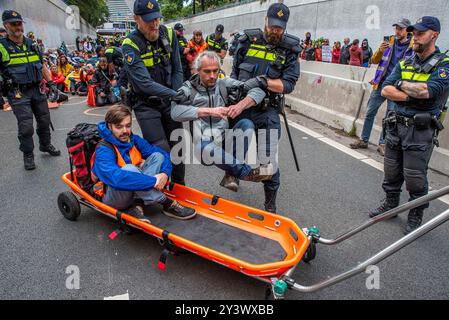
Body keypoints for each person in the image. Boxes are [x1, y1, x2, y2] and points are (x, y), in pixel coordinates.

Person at [370, 16, 449, 235]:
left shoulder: (444, 64)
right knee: (391, 171)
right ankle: (391, 204)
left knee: (415, 176)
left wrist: (401, 87)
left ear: (434, 34)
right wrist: (411, 93)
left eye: (420, 33)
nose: (415, 36)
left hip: (420, 130)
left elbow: (428, 92)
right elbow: (385, 89)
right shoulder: (406, 61)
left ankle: (416, 213)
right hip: (396, 126)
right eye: (414, 33)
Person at [230, 2, 301, 213]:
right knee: (234, 144)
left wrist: (264, 82)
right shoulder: (246, 41)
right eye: (272, 26)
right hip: (242, 107)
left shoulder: (290, 49)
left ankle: (270, 205)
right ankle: (231, 173)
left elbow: (288, 84)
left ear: (285, 26)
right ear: (265, 21)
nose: (274, 31)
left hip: (267, 110)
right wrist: (233, 89)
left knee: (268, 161)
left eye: (279, 27)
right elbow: (234, 72)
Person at [171, 51, 274, 192]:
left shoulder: (224, 83)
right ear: (197, 70)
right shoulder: (188, 89)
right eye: (207, 71)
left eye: (215, 71)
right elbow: (175, 112)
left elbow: (259, 91)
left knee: (246, 124)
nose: (212, 76)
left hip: (226, 140)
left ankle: (231, 175)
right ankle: (246, 172)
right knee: (204, 147)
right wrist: (209, 111)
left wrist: (240, 106)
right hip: (204, 146)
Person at [91, 105, 196, 222]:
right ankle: (165, 202)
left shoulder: (132, 139)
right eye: (119, 127)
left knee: (158, 156)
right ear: (109, 126)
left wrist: (165, 174)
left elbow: (162, 154)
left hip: (134, 188)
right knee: (129, 169)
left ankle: (137, 205)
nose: (125, 131)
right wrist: (154, 181)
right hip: (114, 196)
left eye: (128, 125)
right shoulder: (104, 149)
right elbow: (116, 179)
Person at [122, 0, 185, 185]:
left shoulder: (170, 34)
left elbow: (177, 69)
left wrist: (176, 94)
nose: (154, 24)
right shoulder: (129, 44)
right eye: (149, 20)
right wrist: (175, 95)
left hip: (169, 102)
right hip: (146, 104)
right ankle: (159, 190)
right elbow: (144, 83)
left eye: (157, 18)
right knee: (162, 150)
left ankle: (179, 187)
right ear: (136, 19)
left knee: (178, 148)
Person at [0, 10, 61, 170]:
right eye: (14, 24)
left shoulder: (32, 44)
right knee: (26, 126)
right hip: (17, 92)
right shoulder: (2, 47)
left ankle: (45, 145)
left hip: (37, 89)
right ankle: (28, 155)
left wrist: (52, 84)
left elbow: (42, 67)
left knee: (44, 120)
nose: (18, 26)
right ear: (6, 25)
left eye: (19, 23)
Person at [350, 18, 414, 155]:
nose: (397, 31)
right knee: (370, 112)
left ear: (408, 30)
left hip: (396, 88)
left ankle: (383, 143)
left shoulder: (413, 46)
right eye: (396, 28)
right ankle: (364, 140)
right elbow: (373, 61)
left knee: (389, 117)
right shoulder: (389, 42)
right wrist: (380, 50)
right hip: (380, 83)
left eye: (400, 29)